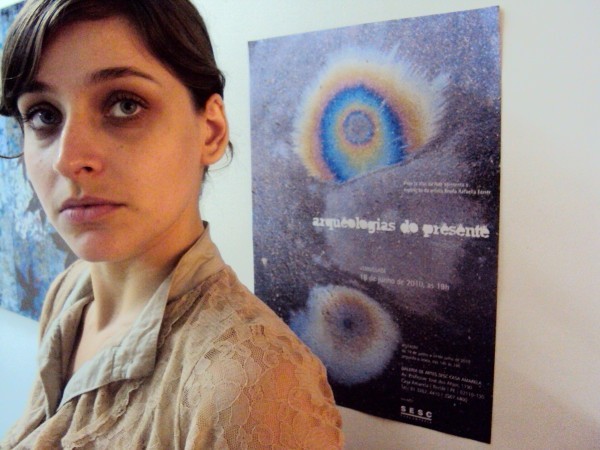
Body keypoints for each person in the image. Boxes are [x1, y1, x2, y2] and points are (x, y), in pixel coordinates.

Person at [0, 0, 343, 448]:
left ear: (210, 131)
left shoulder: (253, 387)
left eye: (125, 105)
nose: (68, 159)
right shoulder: (70, 293)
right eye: (44, 114)